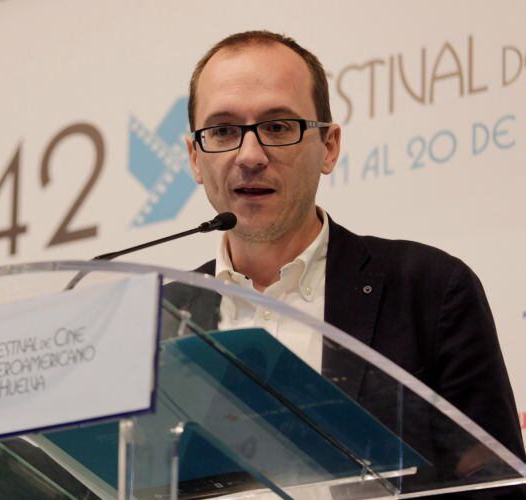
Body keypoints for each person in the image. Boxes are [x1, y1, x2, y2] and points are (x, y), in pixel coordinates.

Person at [174, 30, 525, 498]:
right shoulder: (151, 322)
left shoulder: (430, 290)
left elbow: (496, 487)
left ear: (329, 147)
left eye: (279, 127)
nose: (250, 156)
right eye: (222, 131)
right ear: (196, 158)